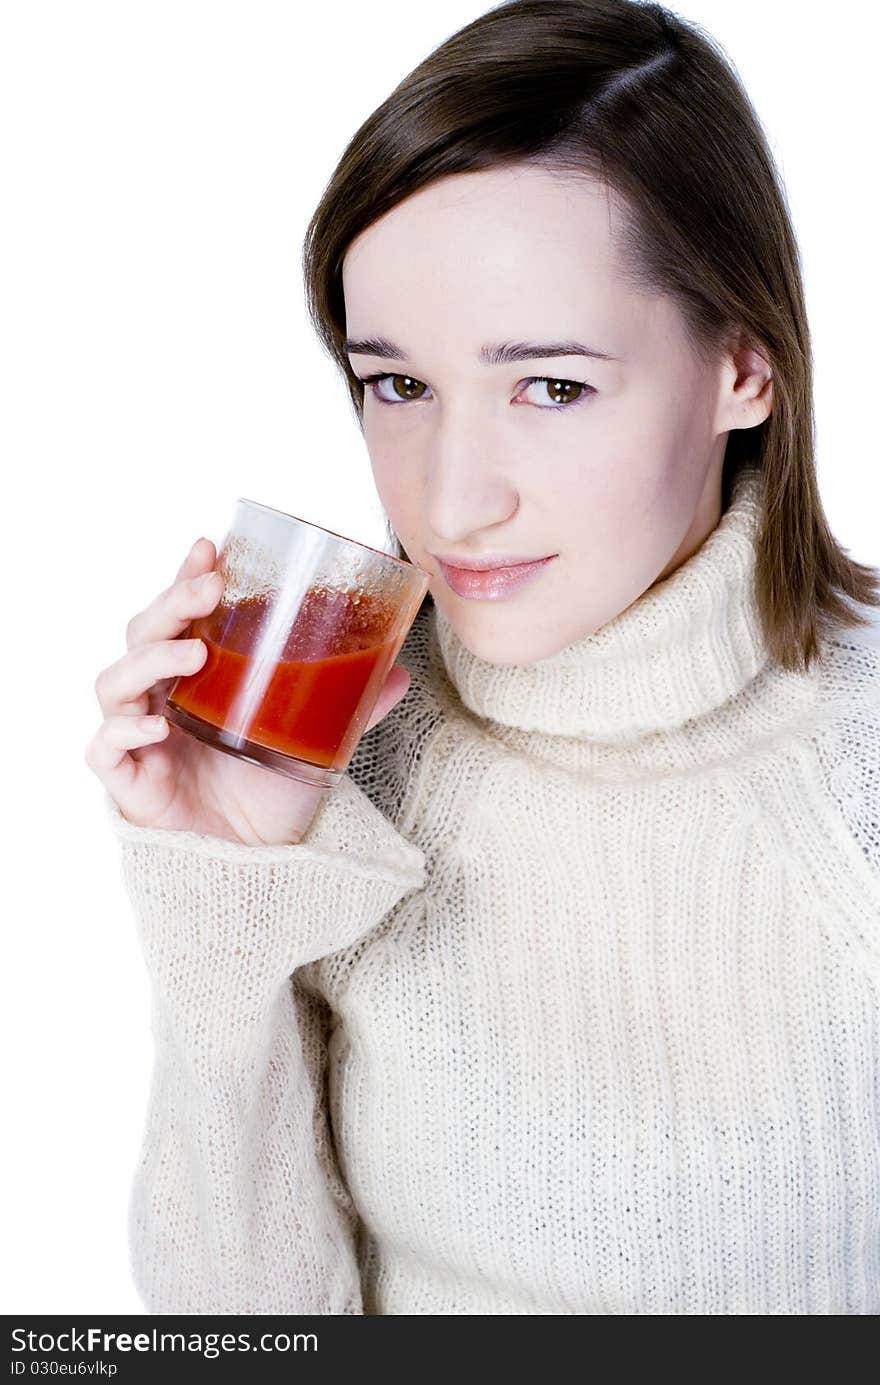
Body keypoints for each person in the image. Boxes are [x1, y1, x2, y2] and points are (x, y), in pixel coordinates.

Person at [86, 0, 880, 1315]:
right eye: (396, 385)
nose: (450, 504)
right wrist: (227, 889)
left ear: (744, 362)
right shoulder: (340, 769)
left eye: (551, 386)